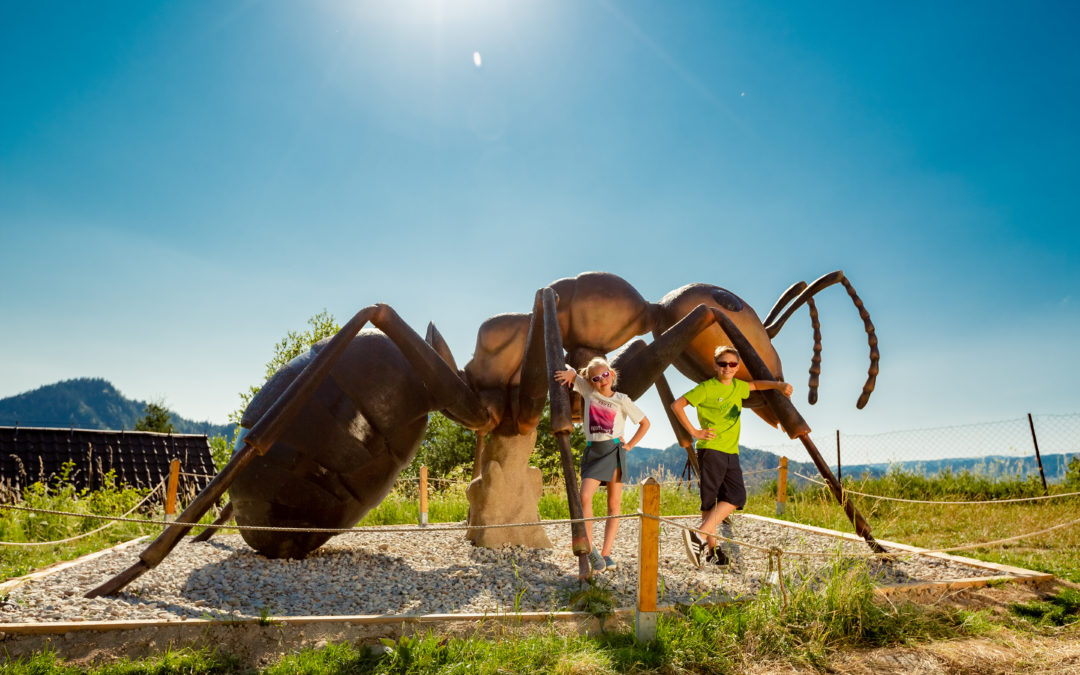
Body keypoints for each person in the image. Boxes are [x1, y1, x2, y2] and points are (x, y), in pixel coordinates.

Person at [670, 345, 793, 568]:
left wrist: (778, 385)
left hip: (731, 451)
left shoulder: (738, 387)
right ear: (715, 365)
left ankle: (702, 540)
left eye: (732, 364)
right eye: (722, 363)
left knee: (735, 497)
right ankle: (710, 549)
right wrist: (694, 432)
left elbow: (756, 385)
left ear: (737, 367)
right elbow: (677, 405)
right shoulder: (706, 388)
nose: (727, 367)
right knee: (711, 501)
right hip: (711, 449)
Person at [554, 357, 650, 574]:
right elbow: (569, 368)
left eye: (605, 375)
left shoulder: (622, 400)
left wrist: (629, 445)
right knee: (584, 497)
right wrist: (570, 374)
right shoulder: (588, 391)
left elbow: (645, 423)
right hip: (593, 452)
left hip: (614, 451)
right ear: (591, 382)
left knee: (614, 504)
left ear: (612, 374)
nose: (602, 380)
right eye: (596, 378)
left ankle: (606, 553)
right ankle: (591, 548)